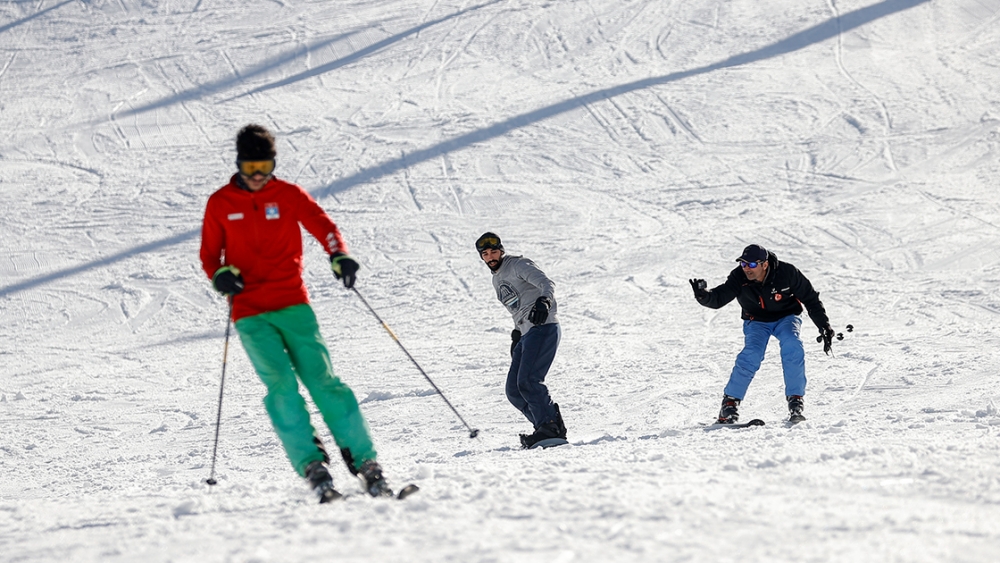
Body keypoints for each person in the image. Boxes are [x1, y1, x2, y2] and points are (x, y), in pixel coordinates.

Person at [199, 124, 394, 502]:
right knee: (281, 387)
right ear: (239, 164)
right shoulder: (220, 202)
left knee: (324, 381)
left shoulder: (287, 195)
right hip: (250, 311)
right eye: (250, 167)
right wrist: (220, 276)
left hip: (293, 304)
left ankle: (366, 462)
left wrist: (339, 254)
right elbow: (210, 256)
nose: (257, 176)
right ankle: (312, 465)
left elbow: (324, 226)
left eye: (265, 166)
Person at [689, 244, 834, 424]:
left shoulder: (787, 273)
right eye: (743, 265)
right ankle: (730, 403)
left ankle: (795, 400)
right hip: (756, 321)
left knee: (792, 345)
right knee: (752, 353)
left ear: (764, 264)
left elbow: (810, 298)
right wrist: (703, 295)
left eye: (751, 265)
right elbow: (719, 297)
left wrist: (824, 326)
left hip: (786, 318)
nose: (746, 269)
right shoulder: (739, 277)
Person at [476, 232, 567, 448]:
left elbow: (546, 283)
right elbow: (517, 307)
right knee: (514, 390)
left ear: (502, 250)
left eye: (494, 251)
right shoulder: (496, 279)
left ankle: (550, 427)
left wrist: (544, 301)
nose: (491, 257)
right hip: (525, 333)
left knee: (529, 380)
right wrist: (516, 334)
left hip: (543, 327)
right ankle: (543, 427)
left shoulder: (517, 264)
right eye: (486, 254)